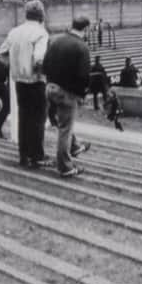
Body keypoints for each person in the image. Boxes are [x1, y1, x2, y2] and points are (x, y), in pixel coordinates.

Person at [0, 0, 51, 168]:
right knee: (38, 120)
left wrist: (14, 67)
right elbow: (39, 58)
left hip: (19, 82)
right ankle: (37, 156)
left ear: (26, 14)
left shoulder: (14, 32)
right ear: (41, 14)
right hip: (36, 82)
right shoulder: (41, 33)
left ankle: (24, 155)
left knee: (24, 118)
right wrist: (40, 73)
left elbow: (0, 54)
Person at [43, 16, 92, 177]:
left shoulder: (56, 41)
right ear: (85, 29)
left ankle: (75, 146)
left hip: (49, 87)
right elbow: (84, 76)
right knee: (65, 128)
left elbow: (44, 66)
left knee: (63, 122)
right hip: (66, 93)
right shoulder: (82, 47)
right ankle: (65, 166)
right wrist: (82, 94)